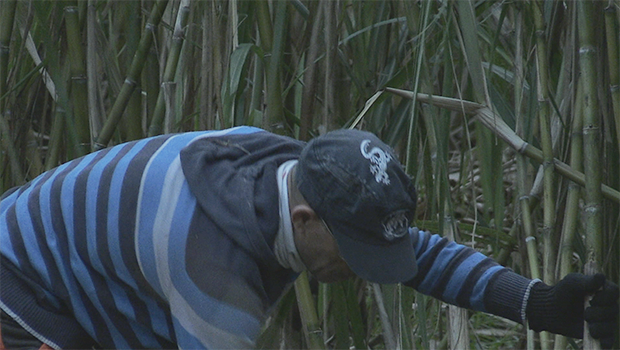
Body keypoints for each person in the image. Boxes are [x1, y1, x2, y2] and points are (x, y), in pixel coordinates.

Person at [0, 126, 617, 350]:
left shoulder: (292, 167)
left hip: (90, 284)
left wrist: (536, 304)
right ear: (304, 223)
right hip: (19, 296)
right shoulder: (216, 278)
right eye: (355, 256)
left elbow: (413, 253)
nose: (364, 271)